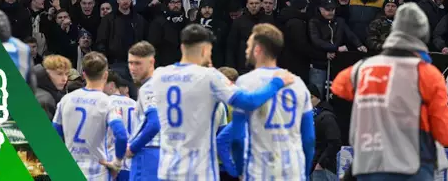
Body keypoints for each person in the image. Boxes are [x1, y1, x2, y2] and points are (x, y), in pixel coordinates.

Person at [149, 24, 294, 180]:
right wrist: (277, 82)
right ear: (205, 50)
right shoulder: (209, 76)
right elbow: (248, 102)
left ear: (182, 46)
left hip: (167, 168)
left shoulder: (159, 74)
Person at [331, 3, 448, 180]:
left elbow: (338, 87)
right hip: (412, 167)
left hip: (369, 164)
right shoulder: (427, 75)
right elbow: (445, 134)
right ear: (423, 35)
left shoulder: (362, 68)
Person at [217, 23, 315, 180]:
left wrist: (240, 170)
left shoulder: (245, 82)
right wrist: (304, 170)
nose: (246, 50)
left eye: (248, 45)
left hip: (260, 169)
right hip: (292, 170)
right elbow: (309, 139)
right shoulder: (298, 83)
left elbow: (237, 138)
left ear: (258, 50)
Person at [52, 52, 128, 180]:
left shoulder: (66, 99)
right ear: (105, 75)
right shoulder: (107, 102)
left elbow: (54, 134)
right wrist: (117, 163)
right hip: (97, 173)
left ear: (83, 74)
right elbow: (121, 135)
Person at [126, 41, 161, 181]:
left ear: (151, 62)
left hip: (148, 154)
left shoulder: (149, 87)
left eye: (138, 63)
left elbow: (154, 123)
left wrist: (133, 148)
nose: (132, 68)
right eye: (130, 63)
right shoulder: (164, 84)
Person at [104, 71, 136, 181]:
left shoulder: (105, 102)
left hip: (110, 162)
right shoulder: (134, 103)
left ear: (111, 85)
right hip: (131, 164)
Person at [308, 84, 341, 181]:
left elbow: (335, 142)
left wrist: (321, 163)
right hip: (315, 167)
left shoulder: (326, 116)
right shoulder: (314, 116)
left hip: (323, 169)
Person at [33, 55, 70, 120]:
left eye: (66, 74)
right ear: (46, 73)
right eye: (59, 74)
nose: (65, 79)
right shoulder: (45, 100)